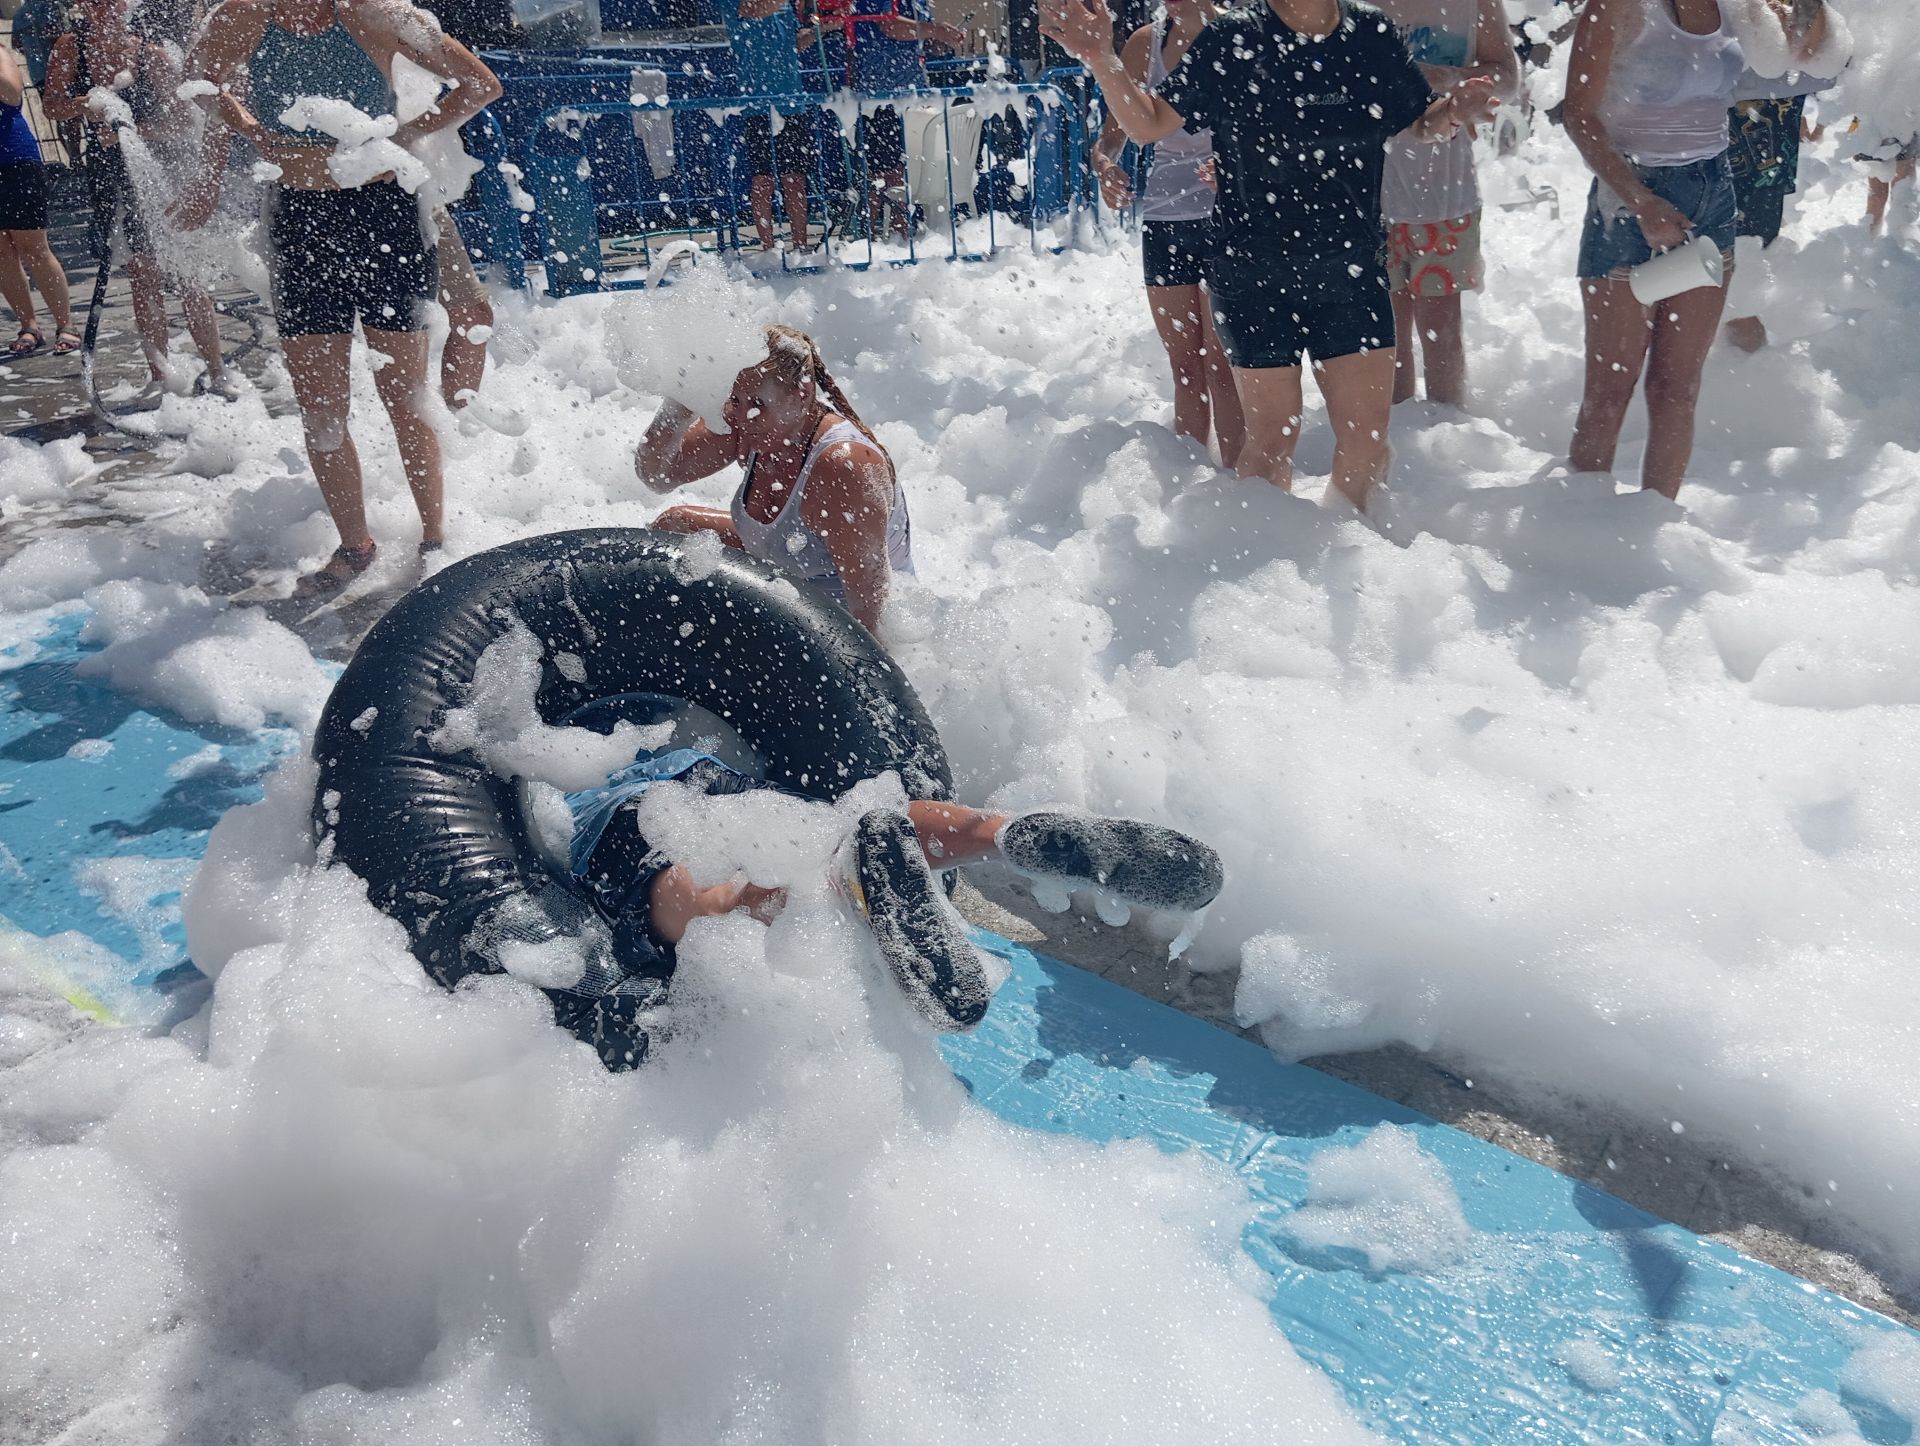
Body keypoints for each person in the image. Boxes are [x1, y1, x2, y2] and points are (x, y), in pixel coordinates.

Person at [1040, 0, 1500, 512]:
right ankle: (1268, 571)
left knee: (1367, 446)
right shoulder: (1233, 39)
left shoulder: (1368, 31)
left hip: (1350, 267)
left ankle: (1343, 572)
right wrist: (1103, 58)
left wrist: (1453, 112)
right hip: (1254, 271)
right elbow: (1148, 125)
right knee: (1272, 443)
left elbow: (1418, 122)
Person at [565, 746, 1226, 1047]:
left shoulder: (538, 762)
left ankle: (835, 883)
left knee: (699, 904)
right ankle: (1002, 833)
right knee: (830, 826)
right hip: (703, 769)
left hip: (609, 818)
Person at [171, 0, 503, 595]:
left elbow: (480, 84)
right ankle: (355, 545)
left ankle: (433, 541)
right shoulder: (242, 17)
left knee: (403, 395)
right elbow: (197, 85)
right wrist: (248, 127)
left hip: (386, 216)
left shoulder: (375, 15)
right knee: (322, 407)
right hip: (299, 221)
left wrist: (403, 132)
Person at [1562, 0, 1821, 500]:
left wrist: (1796, 13)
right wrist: (1642, 202)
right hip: (1629, 197)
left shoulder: (1739, 7)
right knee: (1609, 388)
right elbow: (1579, 114)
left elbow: (1817, 56)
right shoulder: (1616, 7)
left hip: (1712, 192)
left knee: (1675, 389)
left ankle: (1657, 527)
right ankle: (1581, 536)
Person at [636, 325, 912, 636]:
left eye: (757, 404)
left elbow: (875, 613)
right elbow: (657, 475)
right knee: (674, 526)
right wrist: (682, 396)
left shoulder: (843, 467)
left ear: (803, 393)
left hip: (838, 625)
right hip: (783, 579)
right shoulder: (746, 421)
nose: (739, 418)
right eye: (734, 399)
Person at [43, 0, 237, 398]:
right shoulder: (71, 46)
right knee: (142, 275)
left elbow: (183, 122)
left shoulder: (153, 54)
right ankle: (160, 376)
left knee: (188, 276)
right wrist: (84, 104)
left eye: (112, 2)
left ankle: (217, 372)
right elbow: (51, 105)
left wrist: (132, 130)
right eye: (95, 3)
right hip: (111, 176)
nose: (103, 10)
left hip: (162, 174)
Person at [1090, 0, 1245, 466]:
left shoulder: (1243, 36)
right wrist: (1104, 164)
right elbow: (1114, 131)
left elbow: (1270, 124)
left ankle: (1245, 488)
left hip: (1228, 215)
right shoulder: (1145, 42)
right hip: (1165, 218)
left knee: (1224, 367)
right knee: (1185, 367)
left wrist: (1237, 162)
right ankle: (1191, 489)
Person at [1377, 0, 1518, 408]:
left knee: (1442, 329)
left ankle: (1448, 437)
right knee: (1386, 334)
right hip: (1367, 193)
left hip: (1446, 195)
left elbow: (1508, 79)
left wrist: (1449, 78)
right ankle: (1392, 442)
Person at [1720, 0, 1848, 351]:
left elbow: (1824, 63)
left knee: (1739, 276)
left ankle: (1739, 376)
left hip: (1762, 160)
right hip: (1721, 148)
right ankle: (1729, 372)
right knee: (1717, 274)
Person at [808, 0, 965, 240]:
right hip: (878, 93)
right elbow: (888, 26)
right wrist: (934, 29)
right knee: (879, 174)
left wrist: (941, 41)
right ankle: (870, 241)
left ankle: (900, 238)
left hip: (911, 93)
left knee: (902, 171)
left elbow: (919, 38)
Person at [0, 42, 79, 356]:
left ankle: (66, 324)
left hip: (16, 160)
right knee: (2, 253)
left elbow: (11, 92)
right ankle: (29, 324)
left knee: (34, 247)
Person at [727, 0, 818, 256]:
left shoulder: (785, 5)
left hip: (791, 101)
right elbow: (752, 10)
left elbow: (793, 45)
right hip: (757, 103)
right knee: (763, 181)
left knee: (795, 180)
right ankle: (768, 250)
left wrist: (823, 29)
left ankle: (800, 247)